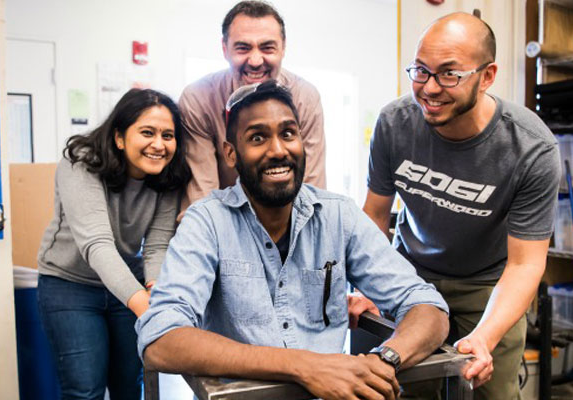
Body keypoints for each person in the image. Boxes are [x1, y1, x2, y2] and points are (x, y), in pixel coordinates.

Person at [137, 81, 449, 400]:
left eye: (288, 134)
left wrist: (383, 360)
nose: (278, 150)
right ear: (231, 154)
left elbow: (428, 307)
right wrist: (305, 366)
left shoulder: (339, 215)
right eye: (258, 138)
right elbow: (161, 340)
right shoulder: (207, 222)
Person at [360, 12, 561, 399]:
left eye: (449, 74)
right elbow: (375, 216)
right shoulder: (394, 123)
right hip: (409, 274)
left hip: (486, 284)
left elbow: (525, 263)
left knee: (492, 391)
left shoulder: (530, 148)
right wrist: (368, 283)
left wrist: (484, 336)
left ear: (487, 76)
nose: (429, 88)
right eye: (420, 71)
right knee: (401, 389)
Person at [36, 88, 191, 400]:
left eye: (168, 135)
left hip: (125, 282)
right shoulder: (81, 162)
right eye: (147, 132)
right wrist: (146, 308)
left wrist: (155, 288)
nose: (159, 145)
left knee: (127, 387)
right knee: (85, 390)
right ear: (120, 137)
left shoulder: (169, 175)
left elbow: (157, 244)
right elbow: (98, 245)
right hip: (70, 284)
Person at [178, 0, 326, 216]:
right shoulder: (198, 99)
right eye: (243, 48)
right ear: (224, 49)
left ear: (283, 48)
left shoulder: (305, 98)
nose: (256, 61)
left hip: (289, 226)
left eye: (267, 47)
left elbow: (311, 194)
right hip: (224, 227)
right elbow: (203, 199)